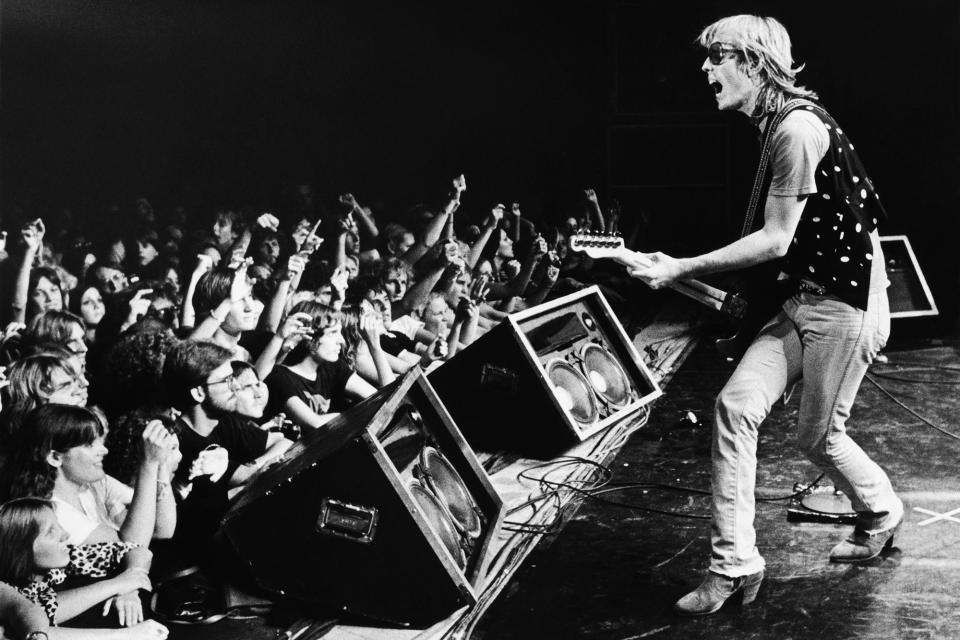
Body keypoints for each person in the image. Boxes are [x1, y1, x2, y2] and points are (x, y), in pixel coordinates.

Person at [627, 15, 901, 615]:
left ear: (753, 62)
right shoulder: (777, 124)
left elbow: (777, 239)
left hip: (845, 307)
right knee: (734, 407)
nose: (705, 69)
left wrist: (679, 268)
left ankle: (881, 510)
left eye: (717, 57)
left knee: (818, 437)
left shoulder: (796, 129)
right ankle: (733, 567)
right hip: (802, 299)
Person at [0, 498, 169, 638]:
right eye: (50, 532)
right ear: (21, 549)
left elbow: (136, 550)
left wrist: (130, 587)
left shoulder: (65, 559)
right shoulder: (10, 588)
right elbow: (42, 614)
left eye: (58, 525)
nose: (65, 534)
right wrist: (118, 584)